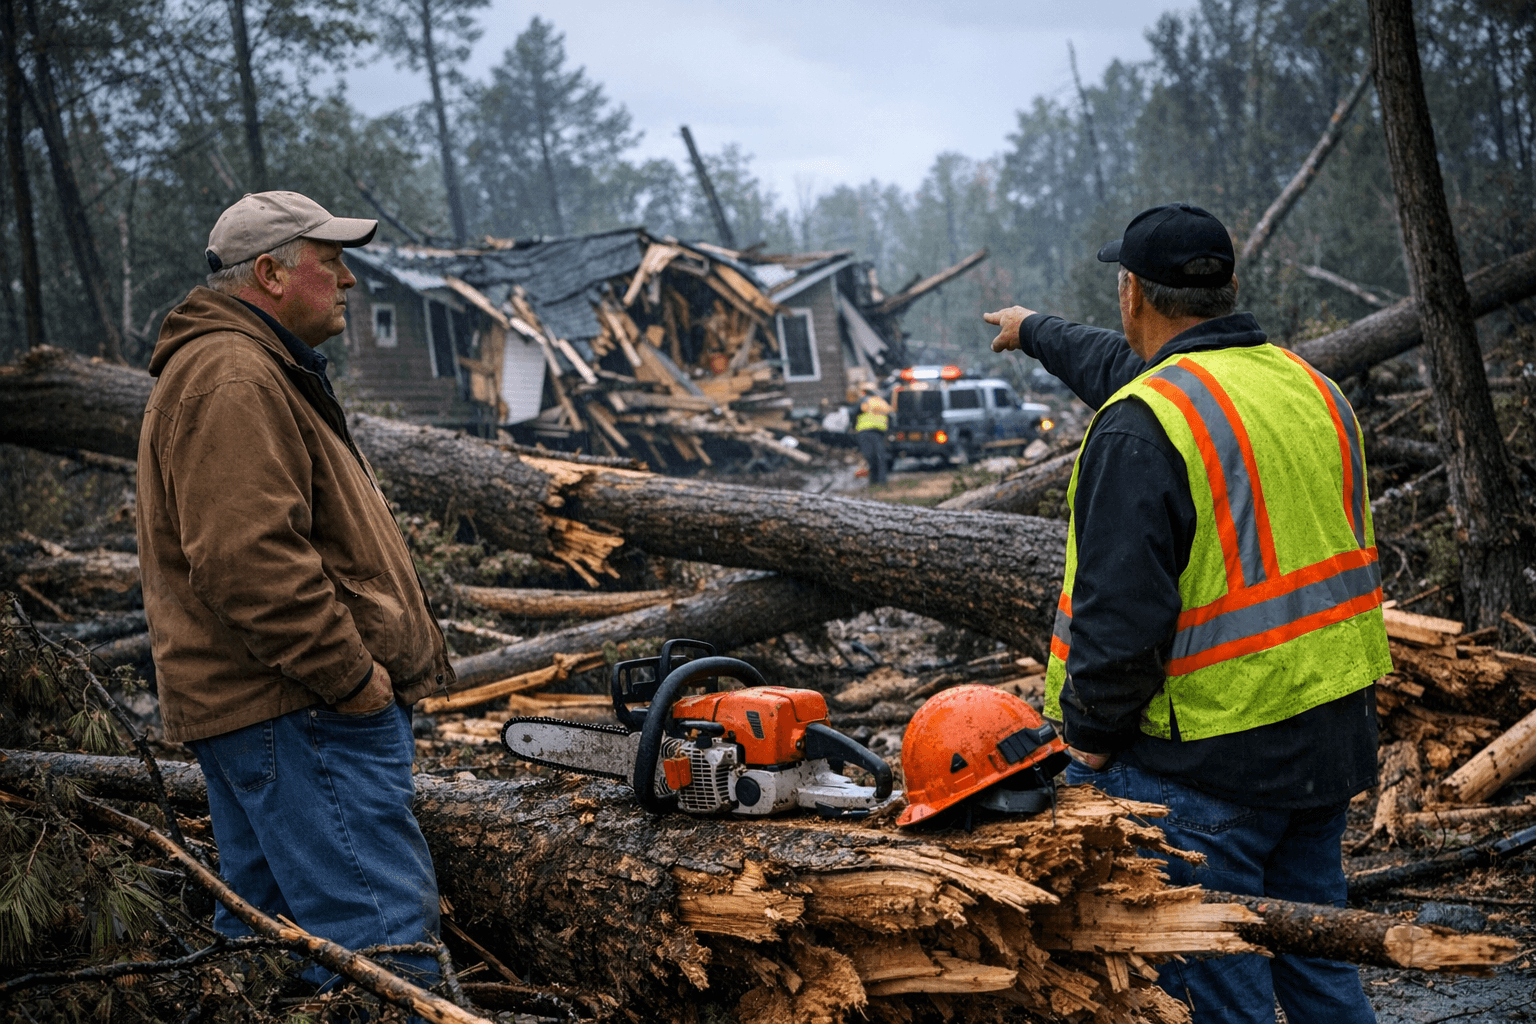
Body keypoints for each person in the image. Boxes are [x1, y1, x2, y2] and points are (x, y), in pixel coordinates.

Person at [985, 202, 1390, 1023]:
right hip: (1327, 741)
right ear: (1230, 285)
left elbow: (1119, 619)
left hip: (1208, 764)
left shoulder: (1142, 428)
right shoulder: (1306, 385)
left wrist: (1090, 742)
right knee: (1320, 968)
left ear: (1131, 292)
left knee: (1216, 991)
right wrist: (1033, 330)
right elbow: (1129, 369)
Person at [136, 191, 455, 988]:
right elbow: (249, 561)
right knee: (378, 953)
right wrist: (353, 680)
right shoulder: (234, 377)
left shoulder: (249, 367)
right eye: (331, 261)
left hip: (280, 713)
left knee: (271, 958)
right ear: (272, 273)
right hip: (303, 711)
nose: (348, 281)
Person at [854, 383, 892, 484]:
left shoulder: (864, 400)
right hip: (879, 432)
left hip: (865, 431)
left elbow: (854, 413)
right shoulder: (882, 402)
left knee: (870, 457)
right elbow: (890, 415)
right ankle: (881, 481)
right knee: (880, 457)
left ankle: (874, 481)